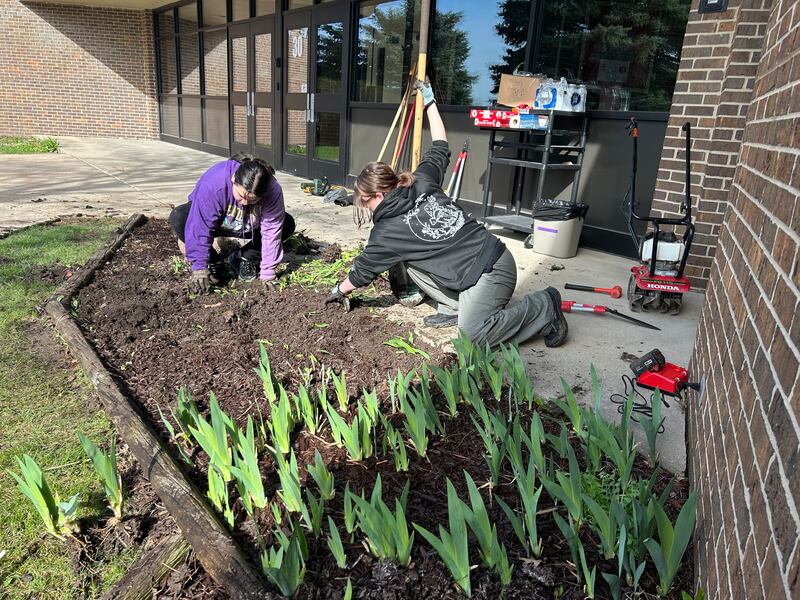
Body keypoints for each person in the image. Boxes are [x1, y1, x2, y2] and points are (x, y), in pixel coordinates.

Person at [324, 80, 568, 349]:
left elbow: (362, 271)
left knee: (472, 341)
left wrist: (339, 289)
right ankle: (456, 307)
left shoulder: (386, 233)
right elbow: (440, 142)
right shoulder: (420, 179)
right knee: (405, 259)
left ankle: (543, 307)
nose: (366, 208)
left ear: (380, 195)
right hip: (481, 266)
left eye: (365, 202)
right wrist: (429, 102)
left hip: (492, 269)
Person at [169, 154, 295, 294]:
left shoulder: (272, 191)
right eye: (240, 196)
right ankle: (214, 261)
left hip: (246, 226)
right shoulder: (214, 182)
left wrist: (268, 273)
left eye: (252, 201)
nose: (244, 203)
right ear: (234, 180)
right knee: (180, 218)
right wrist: (199, 266)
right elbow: (200, 225)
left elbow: (271, 231)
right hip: (216, 224)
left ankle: (243, 257)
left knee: (287, 224)